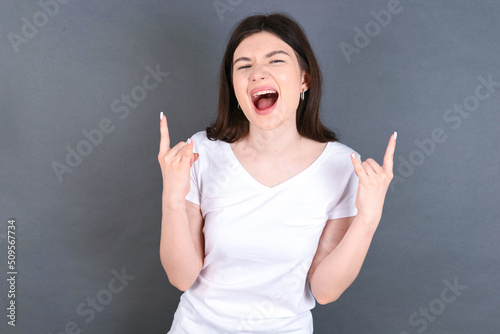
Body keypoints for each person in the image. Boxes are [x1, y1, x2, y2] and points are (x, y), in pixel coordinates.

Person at [158, 13, 396, 333]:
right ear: (234, 88)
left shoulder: (341, 166)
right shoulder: (202, 152)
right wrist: (172, 197)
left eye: (275, 61)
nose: (258, 73)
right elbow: (181, 277)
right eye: (244, 66)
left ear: (304, 80)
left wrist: (368, 218)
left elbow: (325, 291)